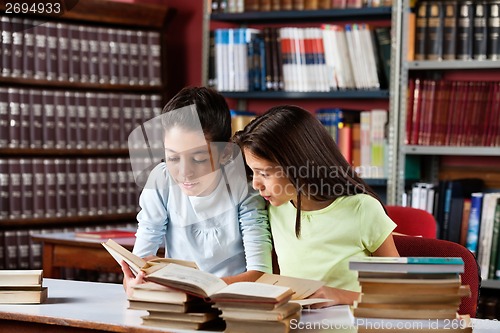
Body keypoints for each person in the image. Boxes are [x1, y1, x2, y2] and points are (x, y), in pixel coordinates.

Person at [232, 105, 400, 307]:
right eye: (253, 172)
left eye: (265, 174)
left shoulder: (362, 210)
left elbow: (398, 292)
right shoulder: (274, 207)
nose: (256, 184)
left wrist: (342, 296)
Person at [121, 87, 273, 296]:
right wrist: (133, 283)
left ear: (225, 153)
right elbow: (137, 264)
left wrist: (195, 290)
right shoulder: (161, 181)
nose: (184, 173)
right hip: (177, 302)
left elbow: (261, 274)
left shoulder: (245, 189)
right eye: (172, 158)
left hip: (233, 303)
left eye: (199, 158)